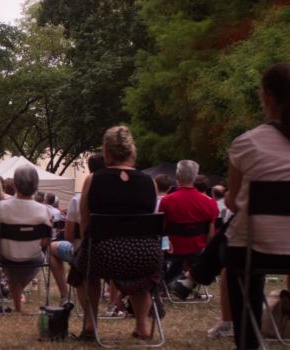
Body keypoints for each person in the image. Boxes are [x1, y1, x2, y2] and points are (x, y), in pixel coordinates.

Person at [221, 61, 290, 350]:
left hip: (255, 250)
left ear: (269, 97)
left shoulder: (248, 143)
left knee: (239, 256)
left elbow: (233, 202)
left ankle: (248, 343)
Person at [70, 125, 161, 341]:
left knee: (84, 270)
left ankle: (91, 323)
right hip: (146, 255)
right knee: (141, 275)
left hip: (103, 254)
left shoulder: (93, 180)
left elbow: (85, 222)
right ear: (132, 152)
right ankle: (142, 325)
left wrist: (87, 245)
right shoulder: (150, 182)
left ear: (106, 152)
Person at [0, 165, 52, 313]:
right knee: (40, 258)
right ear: (36, 185)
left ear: (15, 184)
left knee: (5, 259)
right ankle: (18, 296)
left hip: (5, 256)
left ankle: (16, 294)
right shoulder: (44, 211)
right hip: (32, 257)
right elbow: (46, 242)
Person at [50, 153, 104, 304]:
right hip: (113, 251)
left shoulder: (78, 199)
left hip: (85, 251)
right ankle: (113, 301)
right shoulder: (116, 198)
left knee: (52, 247)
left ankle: (64, 295)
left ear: (89, 169)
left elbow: (68, 236)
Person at [161, 160, 218, 288]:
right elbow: (211, 234)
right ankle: (179, 283)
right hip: (197, 249)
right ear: (195, 177)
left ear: (177, 176)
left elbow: (162, 230)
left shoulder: (167, 201)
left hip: (171, 250)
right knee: (180, 261)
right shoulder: (209, 202)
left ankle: (163, 284)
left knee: (170, 256)